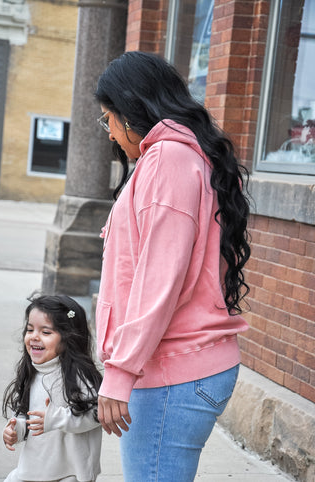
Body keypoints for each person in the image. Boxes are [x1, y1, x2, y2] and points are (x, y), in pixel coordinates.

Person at [94, 51, 251, 481]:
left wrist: (120, 372)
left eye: (108, 118)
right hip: (173, 367)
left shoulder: (169, 161)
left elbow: (158, 279)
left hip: (170, 371)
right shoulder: (183, 158)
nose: (109, 133)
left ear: (131, 111)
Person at [2, 294, 103, 482]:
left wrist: (58, 419)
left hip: (70, 473)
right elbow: (27, 415)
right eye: (30, 329)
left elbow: (97, 414)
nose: (34, 337)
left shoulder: (78, 375)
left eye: (46, 332)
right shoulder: (32, 372)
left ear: (68, 337)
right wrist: (17, 429)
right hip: (33, 470)